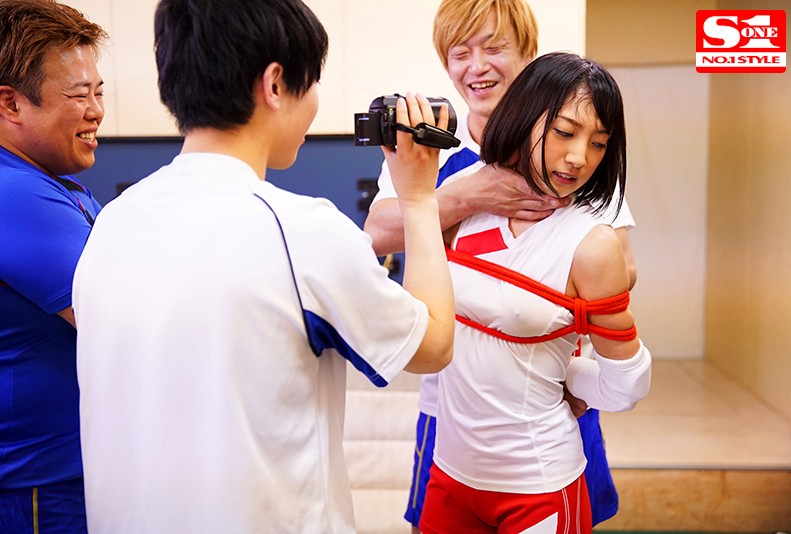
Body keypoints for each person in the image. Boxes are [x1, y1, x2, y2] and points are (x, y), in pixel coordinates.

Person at [71, 0, 455, 532]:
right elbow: (433, 346)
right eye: (311, 81)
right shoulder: (302, 232)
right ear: (275, 84)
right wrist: (418, 197)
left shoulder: (112, 223)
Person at [362, 0, 636, 529]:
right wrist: (467, 196)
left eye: (493, 48)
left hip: (548, 398)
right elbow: (378, 233)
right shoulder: (433, 150)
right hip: (450, 407)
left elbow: (621, 265)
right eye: (460, 53)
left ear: (528, 54)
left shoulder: (573, 150)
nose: (476, 66)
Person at [418, 51, 652, 533]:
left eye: (598, 144)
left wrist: (571, 379)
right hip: (450, 471)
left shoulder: (592, 243)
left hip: (537, 483)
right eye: (565, 132)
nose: (579, 157)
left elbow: (628, 383)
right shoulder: (466, 194)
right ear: (525, 117)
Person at [0, 1, 107, 531]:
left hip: (65, 477)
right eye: (79, 95)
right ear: (11, 103)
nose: (96, 111)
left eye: (99, 92)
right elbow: (127, 324)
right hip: (40, 488)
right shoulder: (14, 194)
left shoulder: (58, 185)